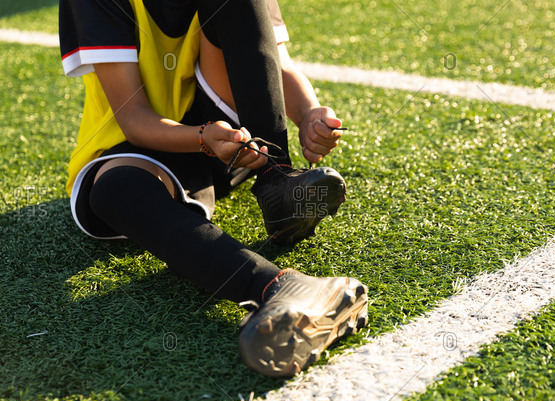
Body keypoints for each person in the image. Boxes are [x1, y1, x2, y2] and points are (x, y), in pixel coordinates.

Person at [58, 0, 368, 377]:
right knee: (114, 190)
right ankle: (277, 286)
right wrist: (203, 137)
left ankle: (277, 180)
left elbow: (276, 63)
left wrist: (309, 114)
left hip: (237, 140)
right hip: (145, 144)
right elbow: (134, 117)